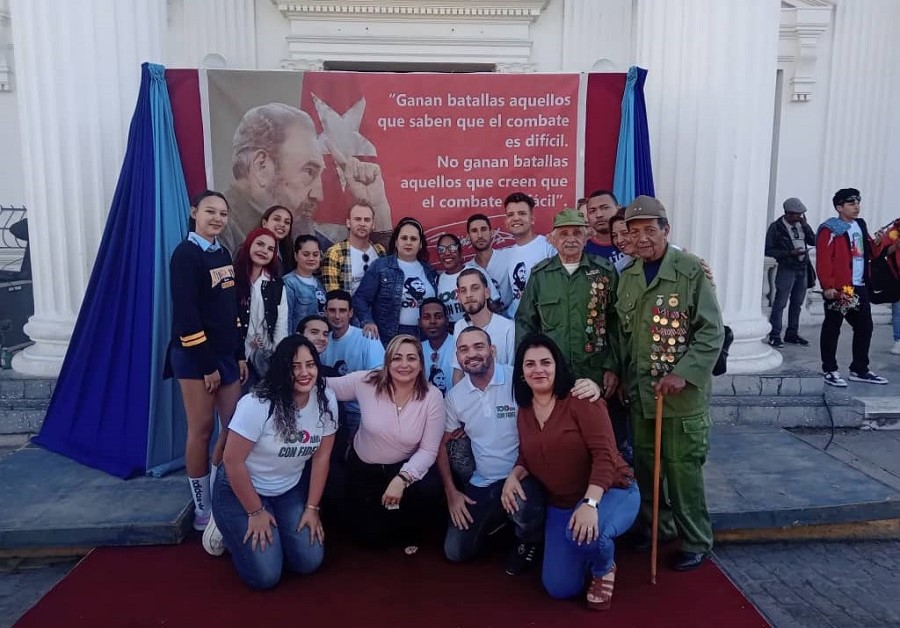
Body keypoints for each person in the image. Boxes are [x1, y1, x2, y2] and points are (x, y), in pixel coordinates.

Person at [440, 327, 605, 575]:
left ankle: (529, 539)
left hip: (526, 475)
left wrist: (591, 385)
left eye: (479, 347)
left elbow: (557, 390)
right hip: (483, 481)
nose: (471, 354)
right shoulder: (455, 397)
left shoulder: (519, 381)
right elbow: (441, 445)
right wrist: (452, 493)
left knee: (526, 508)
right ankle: (508, 526)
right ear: (458, 357)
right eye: (464, 349)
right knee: (456, 551)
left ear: (492, 350)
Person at [616, 195, 724, 572]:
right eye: (634, 231)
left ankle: (696, 539)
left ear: (666, 230)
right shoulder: (627, 277)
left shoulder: (690, 270)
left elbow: (711, 333)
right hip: (642, 395)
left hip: (682, 399)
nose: (642, 238)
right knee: (647, 469)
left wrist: (685, 372)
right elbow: (624, 338)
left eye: (649, 229)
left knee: (682, 471)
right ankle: (655, 529)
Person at [501, 333, 637, 610]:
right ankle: (583, 549)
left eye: (545, 362)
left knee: (593, 535)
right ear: (522, 373)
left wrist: (590, 503)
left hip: (611, 490)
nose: (538, 369)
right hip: (561, 504)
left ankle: (603, 567)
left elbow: (605, 456)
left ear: (557, 366)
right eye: (530, 364)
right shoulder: (525, 410)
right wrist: (513, 475)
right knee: (560, 588)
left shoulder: (582, 399)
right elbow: (528, 454)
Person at [208, 335, 337, 590]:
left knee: (309, 561)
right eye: (294, 366)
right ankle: (222, 525)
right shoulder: (256, 404)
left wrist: (312, 508)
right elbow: (232, 462)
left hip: (287, 488)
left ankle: (276, 530)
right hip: (241, 488)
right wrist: (255, 512)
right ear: (281, 368)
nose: (304, 372)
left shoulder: (326, 399)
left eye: (310, 364)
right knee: (266, 576)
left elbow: (322, 457)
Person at [164, 190, 248, 531]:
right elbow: (186, 316)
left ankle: (220, 491)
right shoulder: (185, 255)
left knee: (234, 428)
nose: (217, 218)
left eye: (223, 213)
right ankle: (202, 507)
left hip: (227, 357)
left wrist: (239, 354)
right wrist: (206, 365)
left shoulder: (222, 252)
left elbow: (230, 311)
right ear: (194, 212)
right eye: (210, 211)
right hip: (195, 357)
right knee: (200, 430)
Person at [326, 335, 445, 553]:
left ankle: (409, 521)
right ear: (387, 362)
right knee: (370, 538)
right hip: (364, 468)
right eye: (396, 358)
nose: (404, 365)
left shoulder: (432, 396)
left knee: (430, 490)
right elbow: (324, 386)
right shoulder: (366, 381)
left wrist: (402, 479)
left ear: (420, 365)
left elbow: (429, 450)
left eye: (411, 358)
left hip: (403, 469)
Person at [222, 103, 391, 254]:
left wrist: (377, 208)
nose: (319, 195)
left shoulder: (310, 235)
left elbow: (380, 265)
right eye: (308, 171)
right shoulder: (217, 237)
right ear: (261, 167)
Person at [515, 208, 619, 394]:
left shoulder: (604, 271)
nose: (571, 239)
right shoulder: (540, 276)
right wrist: (528, 368)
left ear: (586, 237)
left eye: (577, 233)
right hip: (553, 373)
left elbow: (616, 323)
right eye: (563, 234)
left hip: (595, 373)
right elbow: (525, 323)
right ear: (552, 239)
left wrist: (613, 366)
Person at [816, 188, 888, 386]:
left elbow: (868, 253)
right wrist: (828, 286)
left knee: (865, 327)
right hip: (843, 288)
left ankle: (859, 369)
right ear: (839, 207)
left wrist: (878, 243)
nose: (857, 207)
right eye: (851, 203)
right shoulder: (830, 229)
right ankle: (829, 369)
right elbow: (824, 260)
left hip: (860, 285)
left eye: (858, 202)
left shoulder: (860, 225)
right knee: (833, 326)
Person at [320, 290, 384, 460]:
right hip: (327, 411)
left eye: (342, 310)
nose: (337, 316)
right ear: (325, 312)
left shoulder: (367, 336)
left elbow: (379, 376)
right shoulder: (321, 340)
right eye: (332, 310)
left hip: (359, 412)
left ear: (351, 313)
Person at [353, 217, 438, 343]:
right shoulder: (381, 266)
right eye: (404, 238)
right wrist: (368, 322)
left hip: (424, 337)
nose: (408, 242)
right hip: (389, 337)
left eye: (413, 239)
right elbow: (360, 298)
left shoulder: (429, 271)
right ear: (396, 242)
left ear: (420, 244)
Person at [235, 227, 289, 383]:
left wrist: (278, 360)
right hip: (236, 357)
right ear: (249, 244)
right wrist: (239, 355)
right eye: (260, 244)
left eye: (270, 249)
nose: (264, 251)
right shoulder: (231, 278)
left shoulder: (276, 285)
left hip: (264, 357)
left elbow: (280, 325)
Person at [764, 198, 816, 347]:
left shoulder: (802, 225)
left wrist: (806, 226)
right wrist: (789, 253)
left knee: (797, 303)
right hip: (787, 268)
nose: (800, 217)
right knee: (780, 303)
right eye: (797, 215)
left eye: (801, 215)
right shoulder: (776, 227)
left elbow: (814, 241)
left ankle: (792, 333)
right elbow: (769, 249)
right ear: (788, 213)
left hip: (802, 267)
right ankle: (775, 335)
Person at [451, 268, 515, 384]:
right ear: (459, 297)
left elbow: (512, 372)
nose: (469, 295)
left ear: (487, 293)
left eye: (475, 288)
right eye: (463, 290)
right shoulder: (459, 327)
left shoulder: (508, 328)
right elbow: (458, 372)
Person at [503, 192, 556, 317]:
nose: (516, 218)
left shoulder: (549, 247)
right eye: (511, 215)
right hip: (519, 325)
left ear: (532, 219)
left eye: (522, 213)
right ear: (506, 222)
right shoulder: (506, 254)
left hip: (545, 321)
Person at [321, 201, 387, 295]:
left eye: (367, 220)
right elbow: (333, 297)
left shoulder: (380, 250)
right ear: (348, 223)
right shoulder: (335, 253)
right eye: (358, 219)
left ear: (373, 225)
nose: (362, 224)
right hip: (350, 308)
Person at [435, 232, 500, 323]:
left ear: (460, 252)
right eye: (441, 249)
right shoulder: (439, 280)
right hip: (454, 332)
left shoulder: (476, 272)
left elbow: (495, 303)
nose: (447, 253)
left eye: (452, 248)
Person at [465, 213, 513, 313]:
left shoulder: (508, 256)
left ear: (492, 232)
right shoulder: (468, 269)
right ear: (468, 237)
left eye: (483, 229)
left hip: (512, 320)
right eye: (474, 231)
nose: (480, 235)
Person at [283, 235, 326, 334]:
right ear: (296, 256)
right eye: (306, 254)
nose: (311, 258)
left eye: (315, 254)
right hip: (298, 342)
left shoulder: (319, 283)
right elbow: (286, 319)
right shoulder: (289, 283)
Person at [419, 298, 454, 396]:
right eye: (426, 317)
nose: (432, 321)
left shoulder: (459, 345)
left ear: (447, 321)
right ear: (419, 322)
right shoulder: (417, 349)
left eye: (438, 317)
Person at [583, 190, 626, 269]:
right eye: (592, 211)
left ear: (618, 208)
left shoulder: (633, 244)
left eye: (605, 208)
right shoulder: (583, 251)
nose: (599, 215)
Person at [259, 205, 294, 275]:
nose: (282, 224)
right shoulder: (251, 249)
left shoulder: (288, 254)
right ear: (264, 223)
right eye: (277, 219)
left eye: (287, 222)